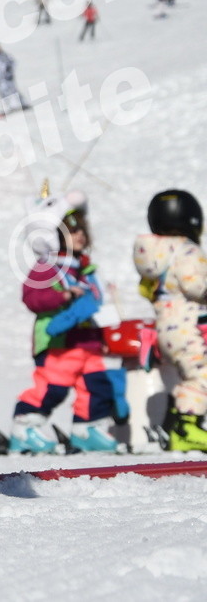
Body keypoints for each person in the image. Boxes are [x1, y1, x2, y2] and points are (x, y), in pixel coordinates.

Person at [10, 191, 124, 453]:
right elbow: (32, 298)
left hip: (88, 343)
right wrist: (63, 296)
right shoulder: (47, 267)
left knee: (97, 385)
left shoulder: (86, 271)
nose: (80, 235)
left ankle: (88, 428)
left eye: (82, 229)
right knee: (54, 387)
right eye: (71, 230)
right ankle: (25, 426)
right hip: (58, 343)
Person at [133, 190, 207, 451]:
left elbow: (147, 290)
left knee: (188, 375)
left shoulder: (156, 256)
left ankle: (176, 423)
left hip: (166, 329)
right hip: (187, 327)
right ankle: (186, 429)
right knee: (201, 374)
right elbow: (196, 287)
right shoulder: (187, 250)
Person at [0, 43, 25, 112]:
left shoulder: (5, 56)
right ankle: (8, 107)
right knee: (3, 93)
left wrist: (10, 70)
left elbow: (13, 63)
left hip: (7, 77)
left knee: (14, 91)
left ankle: (22, 104)